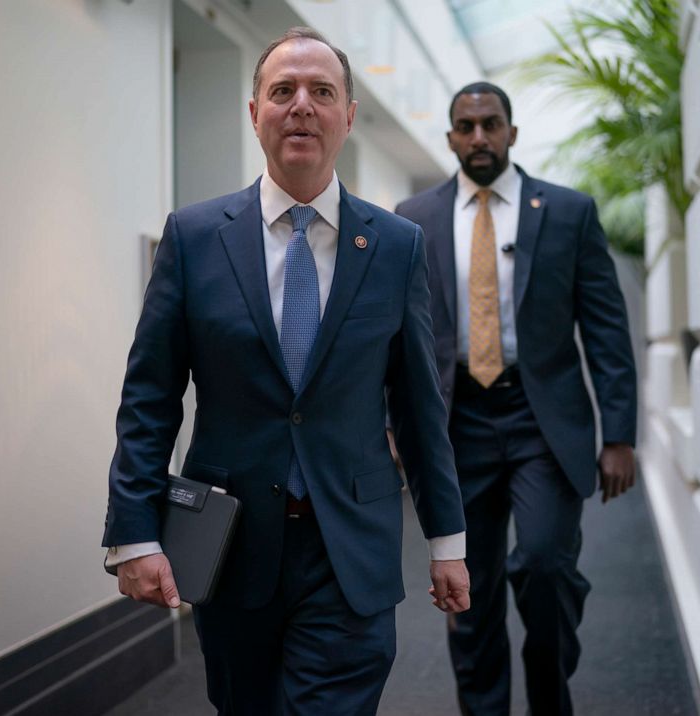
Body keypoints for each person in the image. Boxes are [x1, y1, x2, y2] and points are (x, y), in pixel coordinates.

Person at [102, 27, 470, 715]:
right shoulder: (193, 237)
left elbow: (419, 409)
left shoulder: (396, 247)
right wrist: (134, 532)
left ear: (349, 116)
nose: (302, 105)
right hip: (232, 546)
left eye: (322, 91)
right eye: (283, 91)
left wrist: (447, 542)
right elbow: (151, 396)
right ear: (255, 113)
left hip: (350, 550)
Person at [395, 81, 637, 716]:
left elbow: (606, 327)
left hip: (541, 422)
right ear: (450, 137)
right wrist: (390, 426)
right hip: (455, 426)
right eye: (466, 127)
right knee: (466, 593)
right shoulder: (412, 219)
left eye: (491, 124)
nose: (479, 137)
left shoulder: (566, 211)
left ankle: (550, 697)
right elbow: (392, 336)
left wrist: (619, 434)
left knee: (545, 567)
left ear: (512, 133)